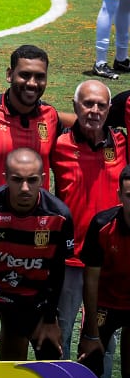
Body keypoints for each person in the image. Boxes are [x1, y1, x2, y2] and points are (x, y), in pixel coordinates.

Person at [0, 149, 74, 362]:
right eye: (17, 180)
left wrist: (50, 319)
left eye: (32, 180)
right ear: (6, 178)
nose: (25, 188)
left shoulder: (60, 216)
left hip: (30, 295)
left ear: (43, 179)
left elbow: (57, 270)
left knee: (49, 348)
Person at [51, 80, 127, 359]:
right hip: (69, 258)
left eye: (101, 105)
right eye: (87, 104)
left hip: (109, 260)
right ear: (75, 106)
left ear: (109, 110)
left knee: (103, 336)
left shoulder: (122, 142)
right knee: (62, 332)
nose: (94, 110)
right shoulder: (58, 145)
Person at [0, 45, 61, 211]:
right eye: (25, 75)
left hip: (33, 225)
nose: (32, 83)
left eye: (40, 77)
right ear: (9, 74)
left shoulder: (50, 116)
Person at [77, 165, 130, 378]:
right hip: (106, 304)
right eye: (129, 196)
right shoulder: (102, 225)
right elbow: (90, 282)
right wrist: (90, 333)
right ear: (119, 195)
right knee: (91, 359)